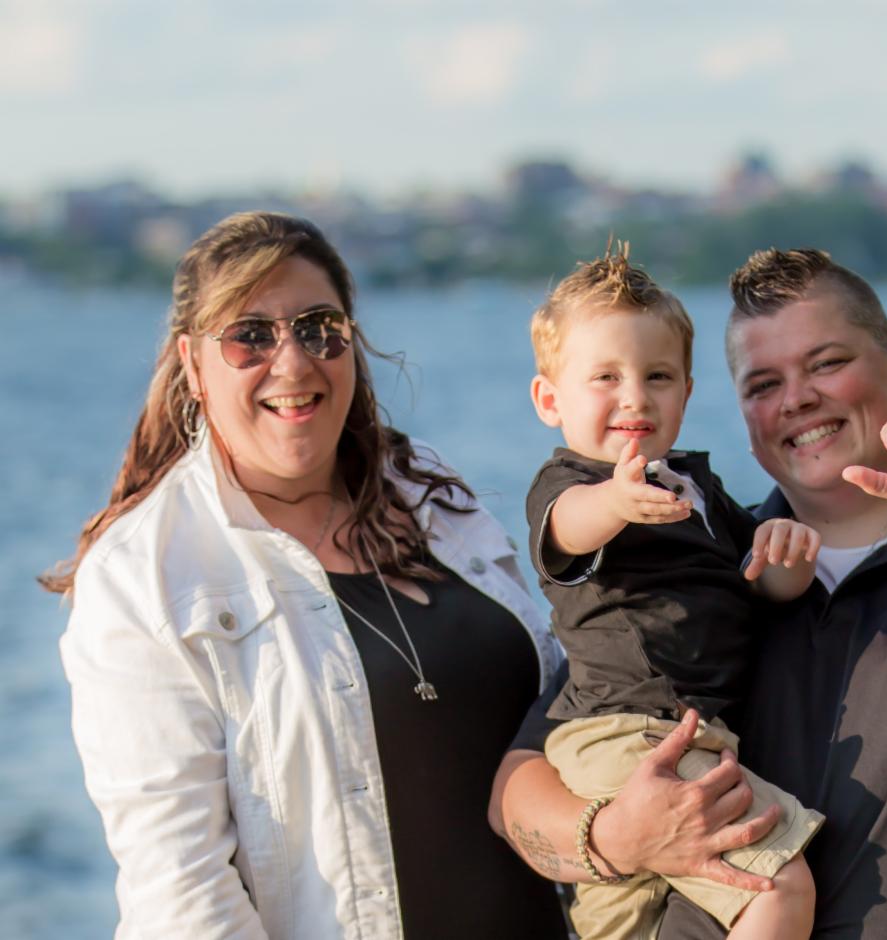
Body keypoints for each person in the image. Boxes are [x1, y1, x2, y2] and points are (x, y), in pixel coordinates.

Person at [490, 248, 887, 939]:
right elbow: (516, 789)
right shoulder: (688, 566)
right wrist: (616, 838)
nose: (796, 398)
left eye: (827, 364)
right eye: (763, 384)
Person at [43, 212, 567, 939]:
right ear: (192, 364)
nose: (292, 363)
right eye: (249, 335)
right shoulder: (142, 577)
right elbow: (183, 898)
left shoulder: (429, 489)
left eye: (320, 328)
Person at [523, 250, 825, 939]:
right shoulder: (570, 485)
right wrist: (615, 500)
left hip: (686, 734)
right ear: (550, 400)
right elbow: (567, 529)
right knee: (778, 885)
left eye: (657, 376)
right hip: (624, 731)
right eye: (606, 377)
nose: (635, 397)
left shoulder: (696, 488)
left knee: (626, 924)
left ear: (686, 393)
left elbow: (766, 581)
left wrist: (786, 552)